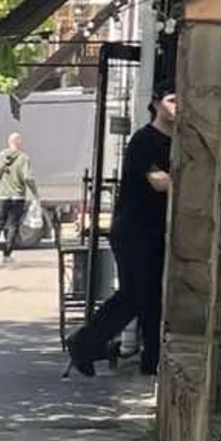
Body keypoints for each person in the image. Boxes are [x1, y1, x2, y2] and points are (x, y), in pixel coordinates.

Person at [65, 84, 176, 378]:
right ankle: (84, 343)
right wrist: (194, 180)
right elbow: (158, 181)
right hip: (134, 230)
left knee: (152, 297)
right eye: (172, 100)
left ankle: (152, 360)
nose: (178, 107)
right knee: (135, 293)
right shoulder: (144, 140)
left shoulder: (178, 141)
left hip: (156, 230)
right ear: (156, 104)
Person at [0, 132, 36, 263]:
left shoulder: (1, 155)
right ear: (19, 143)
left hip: (2, 195)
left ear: (9, 142)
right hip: (18, 197)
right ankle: (7, 255)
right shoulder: (24, 158)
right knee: (13, 225)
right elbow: (28, 178)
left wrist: (0, 175)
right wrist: (35, 193)